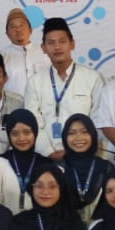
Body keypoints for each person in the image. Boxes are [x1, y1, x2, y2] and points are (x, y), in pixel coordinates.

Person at [23, 18, 105, 158]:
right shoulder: (35, 82)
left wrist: (79, 149)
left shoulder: (93, 78)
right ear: (43, 48)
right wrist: (48, 151)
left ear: (72, 44)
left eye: (62, 41)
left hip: (84, 155)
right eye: (51, 43)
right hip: (46, 158)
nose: (57, 47)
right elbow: (32, 122)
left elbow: (99, 120)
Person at [58, 113, 113, 220]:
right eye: (72, 133)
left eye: (85, 132)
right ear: (65, 137)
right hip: (64, 228)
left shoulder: (106, 168)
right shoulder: (57, 169)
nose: (79, 137)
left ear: (93, 135)